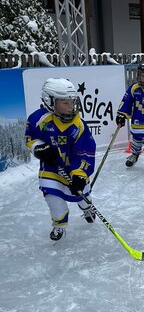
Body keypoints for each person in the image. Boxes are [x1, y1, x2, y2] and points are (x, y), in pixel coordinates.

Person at [25, 78, 96, 241]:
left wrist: (79, 174)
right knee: (53, 198)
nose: (70, 106)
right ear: (50, 102)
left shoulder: (78, 125)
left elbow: (85, 152)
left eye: (72, 102)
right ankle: (59, 225)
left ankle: (87, 207)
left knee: (82, 196)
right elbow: (30, 137)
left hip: (73, 168)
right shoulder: (38, 119)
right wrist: (38, 147)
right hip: (50, 169)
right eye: (64, 103)